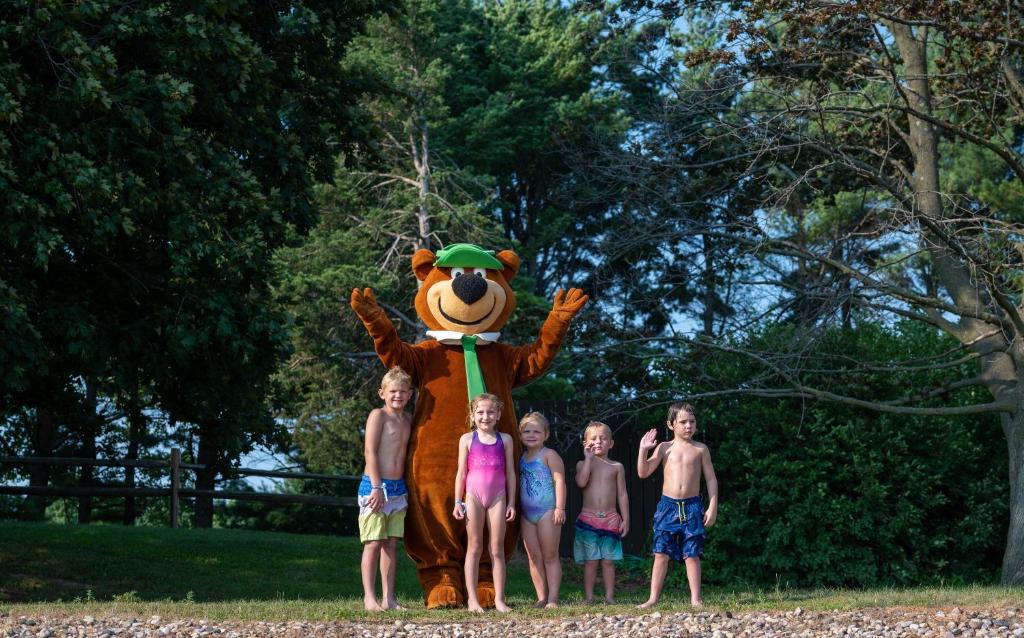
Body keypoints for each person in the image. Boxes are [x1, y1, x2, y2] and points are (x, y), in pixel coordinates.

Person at [636, 402, 719, 608]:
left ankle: (696, 599)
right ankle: (653, 598)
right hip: (668, 507)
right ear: (671, 424)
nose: (688, 426)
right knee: (661, 553)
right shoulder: (664, 448)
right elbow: (643, 472)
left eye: (692, 421)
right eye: (683, 422)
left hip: (692, 507)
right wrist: (642, 450)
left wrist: (712, 506)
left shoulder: (701, 449)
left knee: (692, 554)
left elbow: (711, 479)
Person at [453, 393, 517, 613]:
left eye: (490, 412)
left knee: (496, 549)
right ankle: (472, 600)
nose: (485, 416)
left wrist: (511, 503)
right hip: (473, 496)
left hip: (498, 497)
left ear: (498, 414)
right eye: (480, 412)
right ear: (473, 414)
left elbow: (510, 472)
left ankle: (499, 599)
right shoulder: (467, 439)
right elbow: (461, 473)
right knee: (474, 546)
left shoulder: (506, 439)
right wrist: (456, 501)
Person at [359, 366, 414, 611]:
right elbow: (369, 451)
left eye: (402, 391)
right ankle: (369, 598)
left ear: (410, 394)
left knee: (391, 544)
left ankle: (389, 598)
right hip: (375, 486)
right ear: (382, 393)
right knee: (373, 542)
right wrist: (376, 486)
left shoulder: (409, 419)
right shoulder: (378, 416)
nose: (397, 396)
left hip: (398, 487)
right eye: (393, 391)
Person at [574, 421, 629, 604]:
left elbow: (622, 494)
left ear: (611, 443)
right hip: (588, 519)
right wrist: (588, 460)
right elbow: (581, 482)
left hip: (611, 518)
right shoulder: (582, 464)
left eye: (604, 438)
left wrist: (626, 519)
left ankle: (609, 597)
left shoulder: (616, 467)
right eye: (594, 439)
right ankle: (589, 597)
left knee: (608, 561)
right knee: (591, 561)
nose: (598, 442)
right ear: (585, 443)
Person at [518, 412, 567, 608]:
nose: (531, 435)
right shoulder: (521, 457)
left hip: (548, 511)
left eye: (536, 431)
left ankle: (553, 598)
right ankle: (541, 597)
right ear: (520, 435)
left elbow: (559, 481)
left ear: (546, 434)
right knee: (533, 557)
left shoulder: (549, 455)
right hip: (527, 515)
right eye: (526, 431)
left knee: (550, 555)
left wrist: (559, 508)